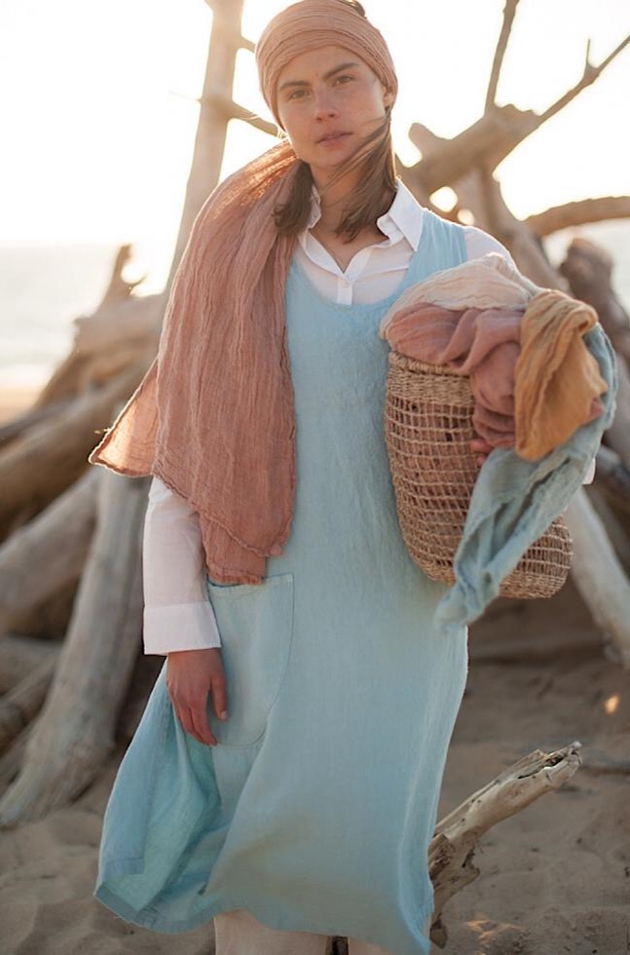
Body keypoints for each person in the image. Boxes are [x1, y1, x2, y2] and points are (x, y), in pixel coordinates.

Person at [90, 2, 533, 952]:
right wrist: (182, 634)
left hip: (405, 621)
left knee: (380, 872)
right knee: (253, 879)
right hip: (257, 615)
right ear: (277, 113)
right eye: (296, 90)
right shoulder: (235, 257)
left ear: (386, 90)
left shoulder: (468, 263)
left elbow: (562, 398)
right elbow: (186, 462)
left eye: (344, 78)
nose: (323, 105)